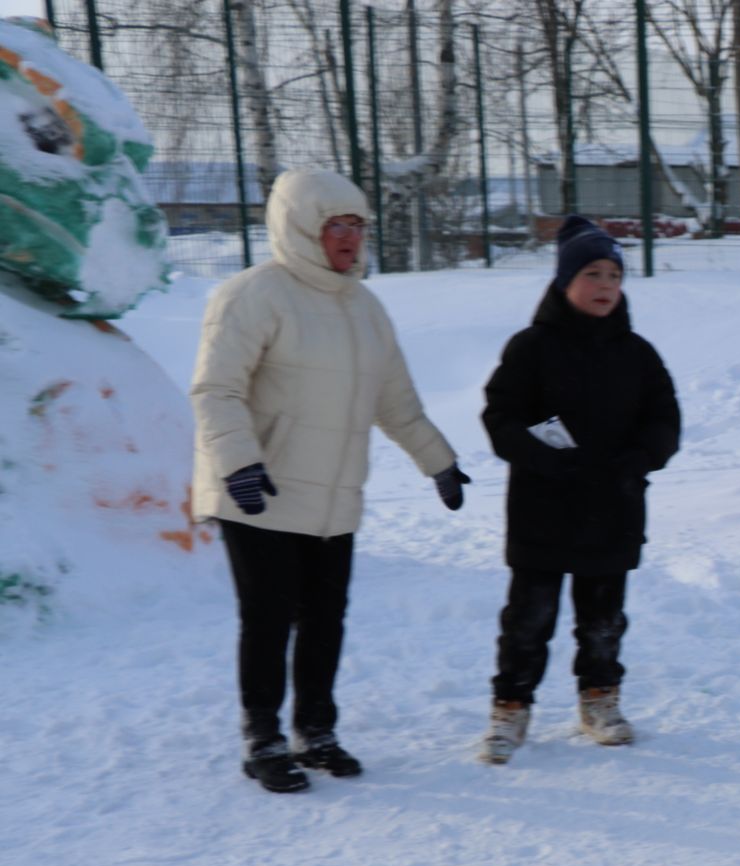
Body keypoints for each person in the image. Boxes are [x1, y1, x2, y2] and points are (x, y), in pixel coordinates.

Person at [190, 168, 469, 794]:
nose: (348, 238)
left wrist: (438, 462)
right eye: (334, 225)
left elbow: (395, 402)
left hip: (333, 496)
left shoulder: (365, 308)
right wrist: (238, 463)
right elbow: (216, 388)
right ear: (300, 227)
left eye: (358, 225)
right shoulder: (252, 294)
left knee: (325, 617)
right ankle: (262, 737)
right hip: (258, 489)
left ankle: (316, 731)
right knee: (266, 616)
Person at [477, 215, 680, 764]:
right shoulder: (531, 348)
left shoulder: (638, 354)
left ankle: (600, 700)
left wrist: (634, 463)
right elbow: (499, 419)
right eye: (593, 273)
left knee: (603, 620)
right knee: (528, 619)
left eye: (614, 275)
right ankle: (510, 708)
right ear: (565, 281)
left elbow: (665, 420)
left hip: (612, 511)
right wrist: (542, 458)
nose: (606, 285)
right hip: (542, 511)